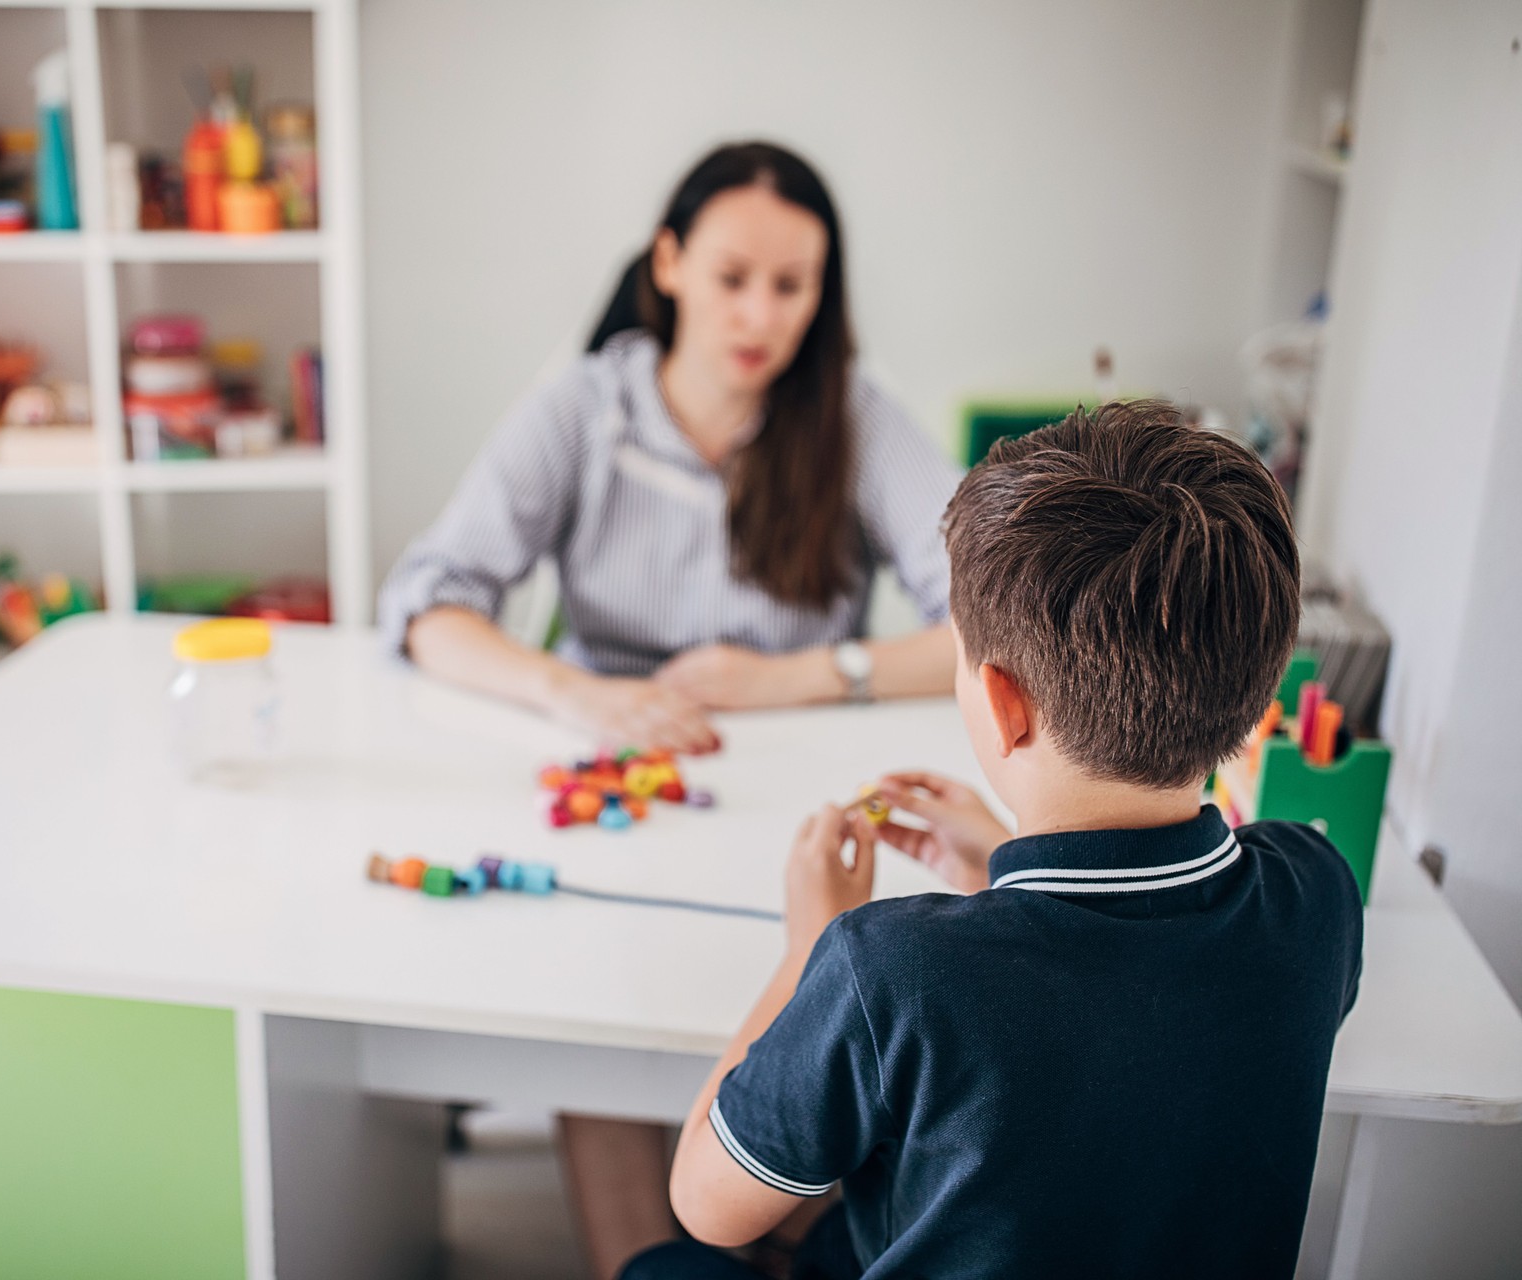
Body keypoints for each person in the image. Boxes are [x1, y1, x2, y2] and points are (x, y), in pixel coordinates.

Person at [641, 402, 1363, 1278]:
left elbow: (709, 1205)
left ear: (1000, 703)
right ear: (1260, 698)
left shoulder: (887, 968)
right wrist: (999, 868)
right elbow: (1134, 1001)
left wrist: (807, 952)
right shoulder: (1318, 893)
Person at [377, 141, 960, 762]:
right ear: (669, 262)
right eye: (732, 279)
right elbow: (427, 605)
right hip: (602, 756)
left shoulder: (857, 417)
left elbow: (1001, 613)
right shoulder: (583, 408)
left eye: (790, 285)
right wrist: (570, 692)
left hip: (802, 759)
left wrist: (799, 677)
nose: (761, 317)